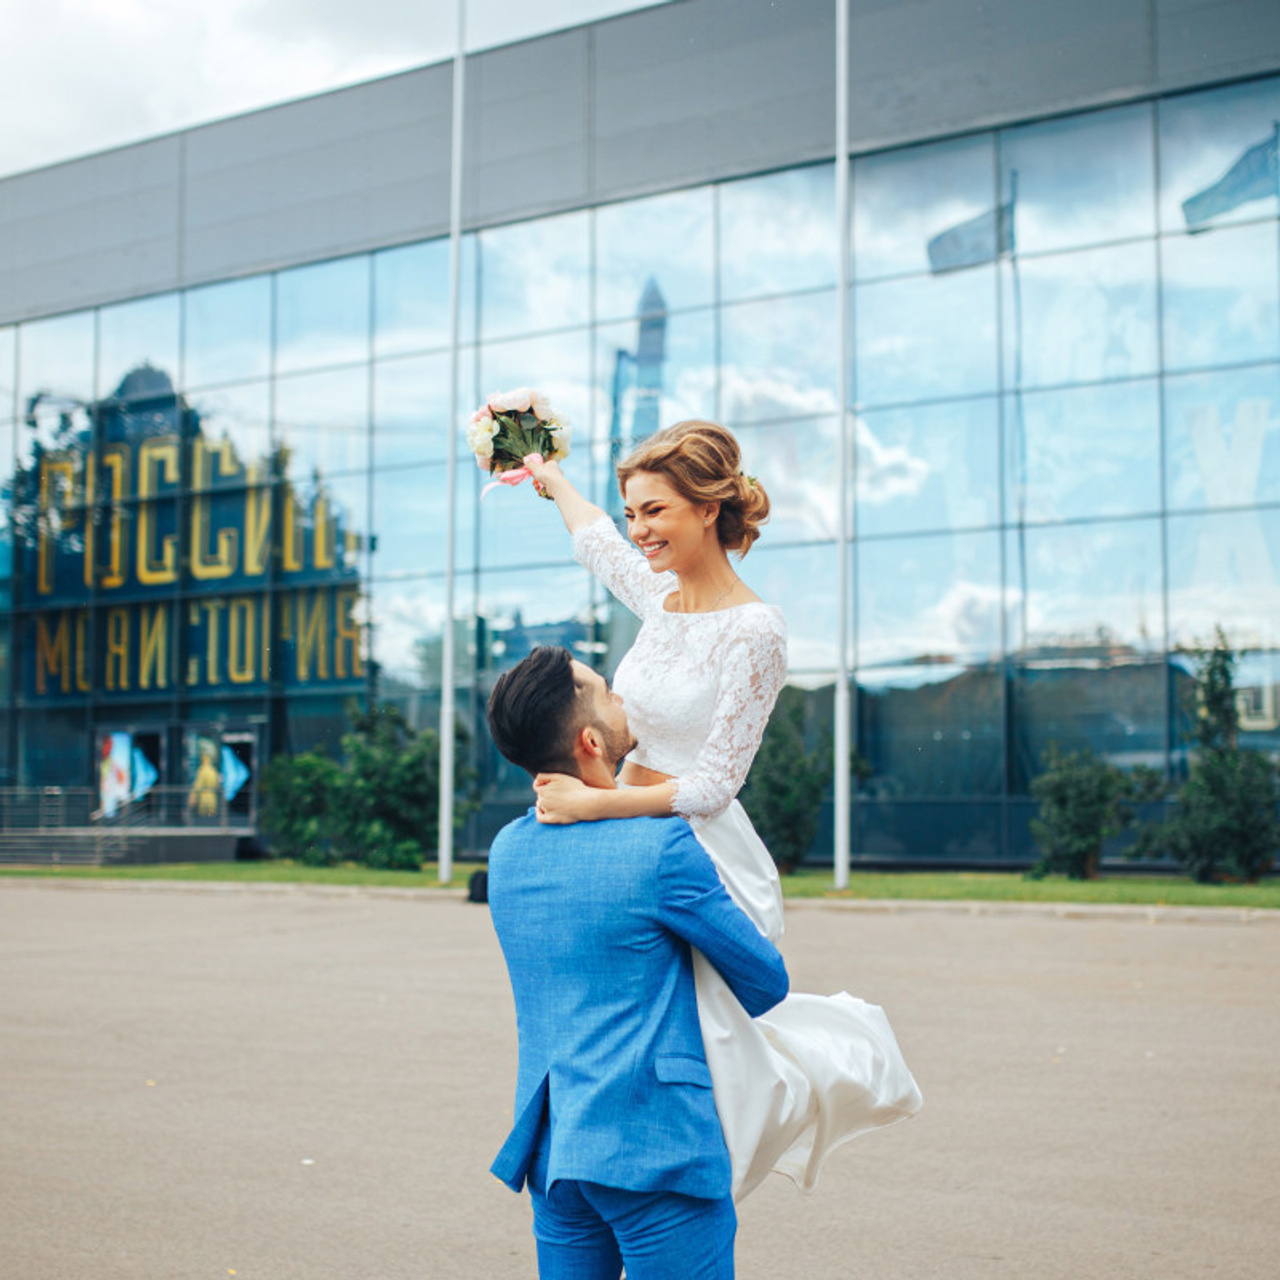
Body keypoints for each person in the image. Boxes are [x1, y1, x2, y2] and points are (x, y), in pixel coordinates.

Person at [522, 421, 922, 1200]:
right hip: (631, 830)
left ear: (707, 509)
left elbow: (714, 785)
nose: (639, 530)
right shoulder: (661, 598)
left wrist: (597, 803)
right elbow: (595, 540)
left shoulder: (755, 631)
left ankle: (682, 1187)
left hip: (697, 852)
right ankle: (611, 1170)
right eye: (633, 512)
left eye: (655, 511)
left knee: (699, 1050)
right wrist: (547, 475)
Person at [485, 645, 790, 1280]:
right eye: (608, 692)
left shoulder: (507, 852)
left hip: (553, 1147)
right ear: (591, 742)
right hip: (653, 1147)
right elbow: (765, 981)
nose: (626, 697)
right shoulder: (657, 846)